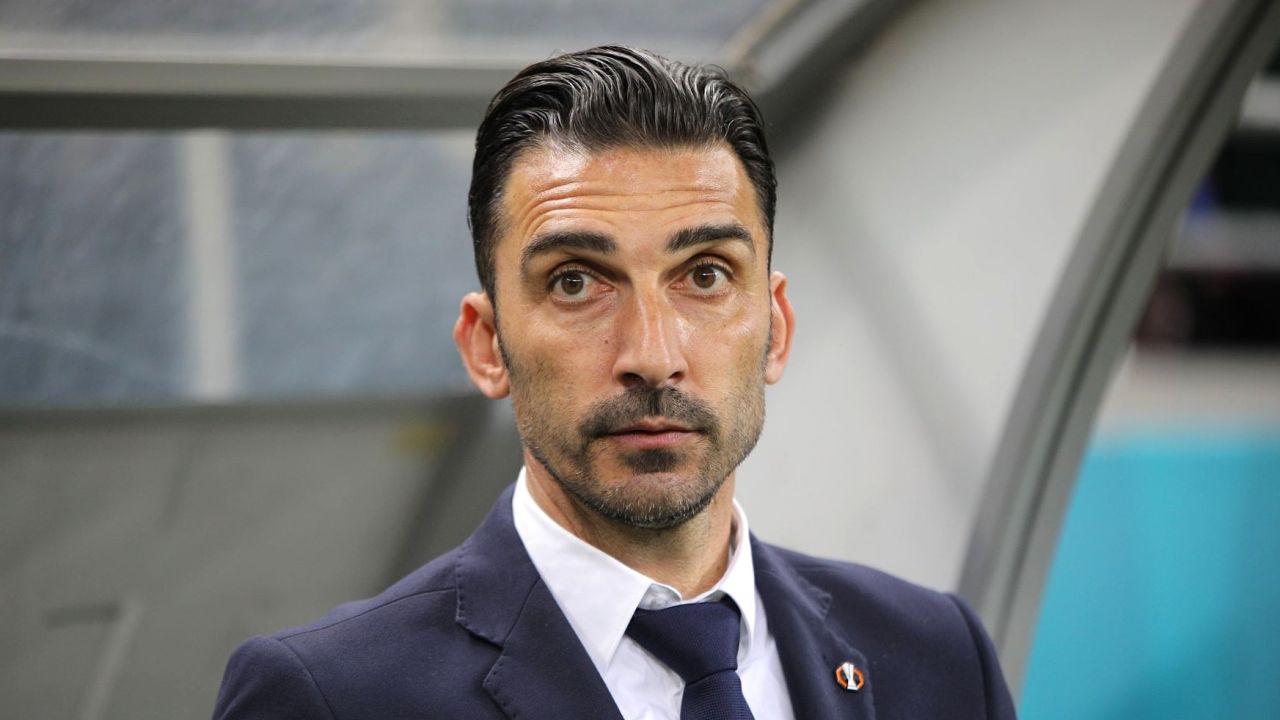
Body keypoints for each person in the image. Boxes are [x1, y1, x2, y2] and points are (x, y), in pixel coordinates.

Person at [212, 45, 1017, 720]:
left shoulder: (937, 657)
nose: (653, 354)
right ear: (487, 346)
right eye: (576, 282)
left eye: (705, 274)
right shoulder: (332, 699)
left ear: (776, 327)